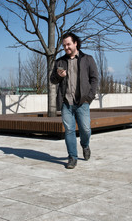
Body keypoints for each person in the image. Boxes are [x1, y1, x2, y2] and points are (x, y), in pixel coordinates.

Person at [50, 32, 99, 169]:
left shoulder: (87, 59)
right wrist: (59, 76)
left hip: (82, 102)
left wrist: (89, 97)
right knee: (69, 130)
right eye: (64, 45)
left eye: (68, 44)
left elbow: (94, 79)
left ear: (75, 43)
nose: (66, 47)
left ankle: (85, 145)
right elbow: (52, 80)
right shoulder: (60, 61)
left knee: (86, 129)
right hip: (66, 103)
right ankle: (72, 157)